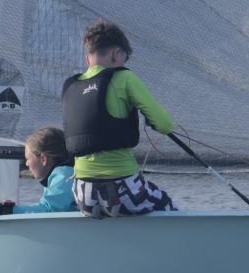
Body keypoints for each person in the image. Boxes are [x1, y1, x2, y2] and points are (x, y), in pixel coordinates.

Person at [61, 19, 178, 217]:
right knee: (165, 203)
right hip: (122, 188)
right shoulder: (124, 78)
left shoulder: (70, 86)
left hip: (83, 194)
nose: (124, 64)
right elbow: (165, 125)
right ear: (116, 54)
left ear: (88, 58)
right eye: (125, 58)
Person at [0, 126, 78, 224]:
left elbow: (49, 210)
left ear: (43, 159)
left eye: (27, 158)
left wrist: (7, 210)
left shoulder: (65, 174)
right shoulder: (64, 173)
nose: (26, 164)